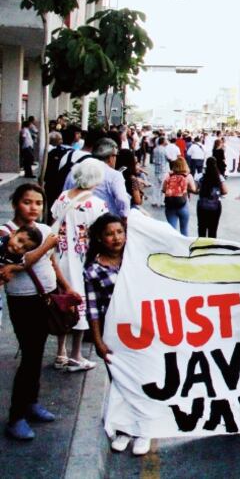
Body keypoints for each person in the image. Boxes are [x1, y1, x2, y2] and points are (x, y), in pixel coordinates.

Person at [0, 183, 76, 440]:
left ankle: (31, 403)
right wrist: (45, 245)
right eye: (27, 202)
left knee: (37, 353)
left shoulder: (44, 229)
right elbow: (16, 261)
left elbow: (52, 262)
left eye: (38, 203)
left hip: (47, 297)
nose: (33, 208)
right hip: (23, 301)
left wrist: (67, 288)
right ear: (15, 204)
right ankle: (16, 417)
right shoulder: (6, 233)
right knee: (30, 355)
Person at [80, 213, 150, 455]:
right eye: (109, 234)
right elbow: (92, 310)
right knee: (120, 381)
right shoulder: (92, 270)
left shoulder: (136, 258)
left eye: (120, 232)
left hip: (144, 330)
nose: (116, 238)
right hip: (114, 335)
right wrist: (98, 340)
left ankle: (144, 430)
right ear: (100, 238)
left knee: (144, 379)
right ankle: (124, 429)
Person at [34, 160, 111, 374]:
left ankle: (61, 353)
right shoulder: (97, 204)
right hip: (82, 260)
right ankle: (76, 355)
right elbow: (101, 233)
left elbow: (52, 221)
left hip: (59, 257)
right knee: (80, 305)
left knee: (63, 304)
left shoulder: (62, 196)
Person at [42, 132, 72, 222]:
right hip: (52, 184)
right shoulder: (51, 152)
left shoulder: (64, 152)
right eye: (59, 139)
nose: (61, 141)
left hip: (55, 184)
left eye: (61, 139)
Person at [163, 158, 197, 236]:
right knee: (184, 229)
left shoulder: (168, 175)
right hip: (183, 204)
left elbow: (163, 189)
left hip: (170, 205)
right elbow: (194, 189)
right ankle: (184, 247)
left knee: (172, 231)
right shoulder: (188, 176)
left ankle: (173, 247)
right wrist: (184, 188)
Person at [196, 158, 227, 238]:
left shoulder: (200, 177)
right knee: (213, 229)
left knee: (202, 228)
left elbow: (196, 190)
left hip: (202, 206)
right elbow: (225, 191)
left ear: (206, 164)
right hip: (215, 206)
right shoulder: (219, 177)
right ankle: (211, 247)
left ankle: (201, 247)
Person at [149, 137, 168, 207]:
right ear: (163, 142)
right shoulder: (164, 150)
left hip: (156, 169)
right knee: (163, 186)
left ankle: (154, 201)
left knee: (156, 186)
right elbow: (168, 158)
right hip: (163, 169)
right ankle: (162, 201)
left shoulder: (155, 149)